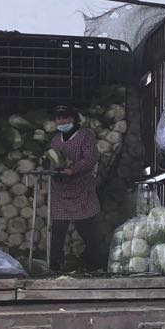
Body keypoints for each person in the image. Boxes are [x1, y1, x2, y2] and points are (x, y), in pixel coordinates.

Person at [47, 104, 106, 272]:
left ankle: (95, 263)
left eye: (66, 117)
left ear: (73, 119)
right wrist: (53, 170)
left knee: (86, 229)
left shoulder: (85, 136)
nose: (62, 121)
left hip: (81, 190)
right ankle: (54, 265)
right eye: (59, 118)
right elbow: (53, 159)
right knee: (58, 229)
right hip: (60, 191)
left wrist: (72, 170)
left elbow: (90, 159)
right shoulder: (56, 140)